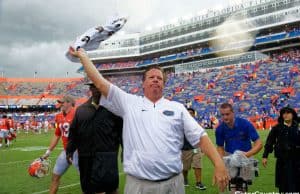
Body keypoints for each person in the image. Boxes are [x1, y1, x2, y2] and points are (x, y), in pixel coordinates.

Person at [69, 47, 229, 194]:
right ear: (143, 83)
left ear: (164, 84)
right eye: (151, 77)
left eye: (159, 78)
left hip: (173, 183)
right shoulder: (129, 103)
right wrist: (83, 56)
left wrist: (219, 163)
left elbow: (200, 136)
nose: (155, 79)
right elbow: (100, 83)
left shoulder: (177, 108)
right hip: (138, 185)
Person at [66, 81, 123, 194]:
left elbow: (122, 132)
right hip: (86, 157)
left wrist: (125, 150)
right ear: (90, 89)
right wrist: (69, 151)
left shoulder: (114, 109)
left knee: (111, 189)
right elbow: (74, 133)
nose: (97, 89)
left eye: (99, 86)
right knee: (88, 189)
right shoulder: (81, 110)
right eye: (94, 87)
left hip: (107, 157)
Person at [41, 95, 78, 194]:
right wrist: (48, 151)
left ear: (69, 103)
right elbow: (57, 135)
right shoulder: (59, 116)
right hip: (66, 151)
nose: (60, 104)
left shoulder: (77, 113)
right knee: (55, 176)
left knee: (87, 180)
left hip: (78, 150)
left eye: (62, 102)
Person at [262, 106, 300, 193]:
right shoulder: (277, 128)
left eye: (288, 113)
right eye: (284, 113)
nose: (285, 115)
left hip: (297, 161)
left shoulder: (297, 127)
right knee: (283, 184)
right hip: (282, 161)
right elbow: (269, 142)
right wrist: (265, 156)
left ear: (293, 115)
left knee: (296, 184)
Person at [181, 108, 207, 190]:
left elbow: (202, 136)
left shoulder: (197, 124)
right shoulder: (181, 124)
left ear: (193, 114)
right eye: (188, 113)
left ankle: (198, 183)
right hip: (185, 149)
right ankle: (184, 179)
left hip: (196, 148)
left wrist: (203, 147)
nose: (189, 114)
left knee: (198, 165)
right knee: (185, 168)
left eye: (191, 113)